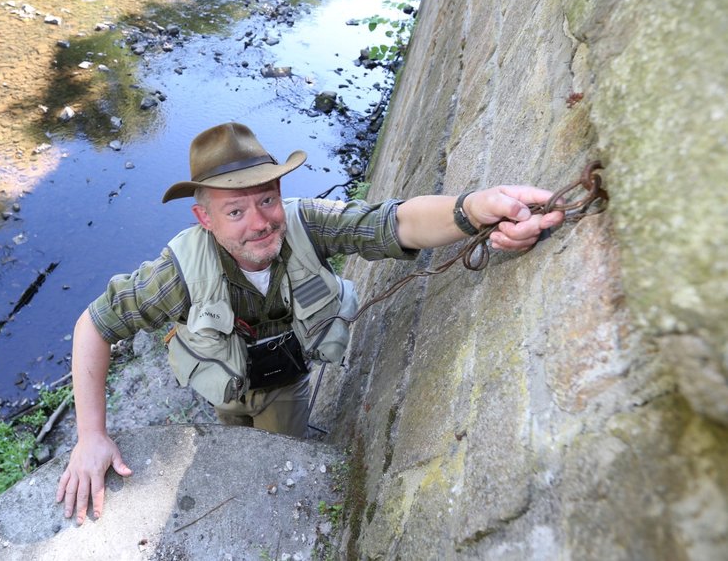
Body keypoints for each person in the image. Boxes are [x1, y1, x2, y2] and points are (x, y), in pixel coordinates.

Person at [56, 122, 564, 524]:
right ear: (203, 218)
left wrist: (471, 210)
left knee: (277, 453)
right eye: (235, 211)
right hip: (223, 387)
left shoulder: (307, 222)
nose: (260, 222)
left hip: (289, 383)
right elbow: (94, 326)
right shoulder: (174, 274)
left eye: (267, 199)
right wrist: (91, 434)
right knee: (230, 436)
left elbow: (394, 222)